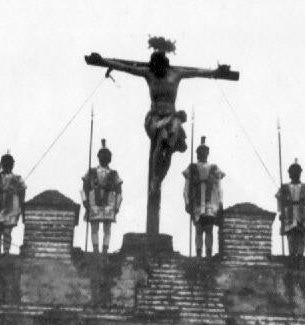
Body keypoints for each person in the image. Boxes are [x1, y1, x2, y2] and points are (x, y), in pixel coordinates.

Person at [85, 37, 238, 235]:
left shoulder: (176, 73)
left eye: (158, 63)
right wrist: (104, 61)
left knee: (170, 134)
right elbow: (125, 67)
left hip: (172, 118)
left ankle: (158, 176)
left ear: (164, 63)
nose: (155, 66)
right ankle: (155, 181)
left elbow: (199, 73)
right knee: (163, 136)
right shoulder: (149, 73)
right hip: (155, 120)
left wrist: (217, 72)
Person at [183, 136, 225, 257]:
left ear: (208, 153)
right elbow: (186, 187)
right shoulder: (192, 168)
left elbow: (219, 186)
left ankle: (208, 253)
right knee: (198, 229)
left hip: (210, 203)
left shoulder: (214, 168)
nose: (203, 154)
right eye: (201, 152)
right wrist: (186, 201)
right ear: (197, 153)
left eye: (205, 151)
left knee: (209, 228)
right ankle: (198, 253)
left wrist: (221, 202)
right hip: (196, 202)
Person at [81, 139, 123, 253]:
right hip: (94, 202)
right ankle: (95, 248)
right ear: (98, 157)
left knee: (107, 228)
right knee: (94, 227)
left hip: (109, 203)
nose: (103, 158)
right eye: (102, 155)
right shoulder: (91, 171)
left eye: (106, 155)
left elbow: (119, 192)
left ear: (109, 158)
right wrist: (85, 201)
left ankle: (105, 248)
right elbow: (84, 188)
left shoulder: (114, 173)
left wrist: (117, 206)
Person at [0, 152, 26, 255]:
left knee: (7, 231)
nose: (7, 166)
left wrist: (21, 206)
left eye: (9, 164)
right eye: (5, 163)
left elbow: (22, 192)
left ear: (12, 165)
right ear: (1, 164)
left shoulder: (17, 178)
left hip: (11, 207)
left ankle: (6, 251)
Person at [276, 160, 305, 258]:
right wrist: (281, 211)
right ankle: (292, 255)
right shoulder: (284, 187)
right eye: (292, 172)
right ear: (289, 174)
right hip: (289, 215)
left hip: (302, 215)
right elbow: (280, 201)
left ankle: (300, 255)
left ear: (300, 173)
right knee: (291, 235)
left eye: (296, 171)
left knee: (301, 234)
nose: (294, 174)